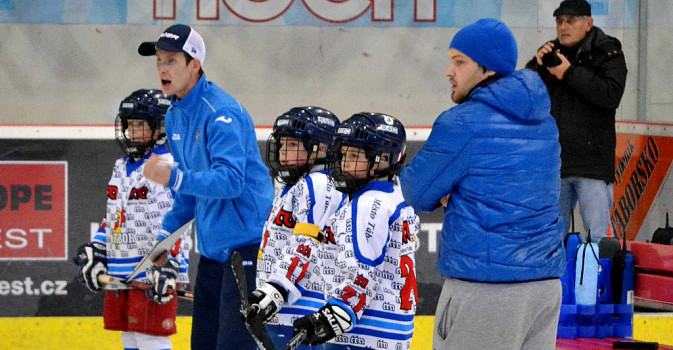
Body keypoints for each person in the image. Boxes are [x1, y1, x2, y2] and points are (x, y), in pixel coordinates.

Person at [399, 18, 566, 350]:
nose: (449, 71)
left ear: (487, 68)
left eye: (459, 62)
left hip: (487, 290)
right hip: (545, 287)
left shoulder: (461, 123)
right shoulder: (545, 122)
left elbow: (412, 191)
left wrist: (452, 195)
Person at [137, 24, 274, 350]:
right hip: (213, 253)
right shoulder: (175, 116)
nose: (161, 69)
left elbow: (230, 181)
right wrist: (163, 241)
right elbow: (188, 192)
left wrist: (172, 176)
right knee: (203, 344)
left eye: (170, 61)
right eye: (158, 61)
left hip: (248, 248)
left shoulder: (221, 112)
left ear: (194, 64)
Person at [73, 89, 192, 350]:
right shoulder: (120, 165)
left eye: (140, 124)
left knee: (150, 337)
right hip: (120, 269)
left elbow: (182, 219)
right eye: (129, 125)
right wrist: (98, 249)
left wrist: (170, 264)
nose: (132, 131)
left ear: (160, 126)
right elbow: (113, 217)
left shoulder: (170, 164)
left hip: (153, 268)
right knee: (129, 335)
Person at [291, 113, 420, 350]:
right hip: (394, 331)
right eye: (343, 155)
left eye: (354, 156)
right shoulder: (398, 195)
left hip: (362, 332)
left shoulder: (368, 204)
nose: (344, 164)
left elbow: (361, 274)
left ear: (382, 160)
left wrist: (331, 316)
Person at [525, 0, 628, 241]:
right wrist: (538, 67)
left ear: (588, 23)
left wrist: (568, 73)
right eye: (560, 21)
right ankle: (556, 280)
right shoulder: (550, 53)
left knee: (597, 238)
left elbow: (611, 95)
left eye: (571, 21)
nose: (563, 27)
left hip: (592, 165)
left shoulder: (608, 52)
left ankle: (597, 279)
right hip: (555, 163)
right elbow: (525, 95)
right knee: (549, 238)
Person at [247, 106, 346, 349]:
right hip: (284, 310)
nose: (282, 152)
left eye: (292, 145)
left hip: (300, 312)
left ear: (321, 149)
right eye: (282, 144)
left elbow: (307, 244)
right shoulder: (296, 184)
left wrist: (277, 289)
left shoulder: (319, 184)